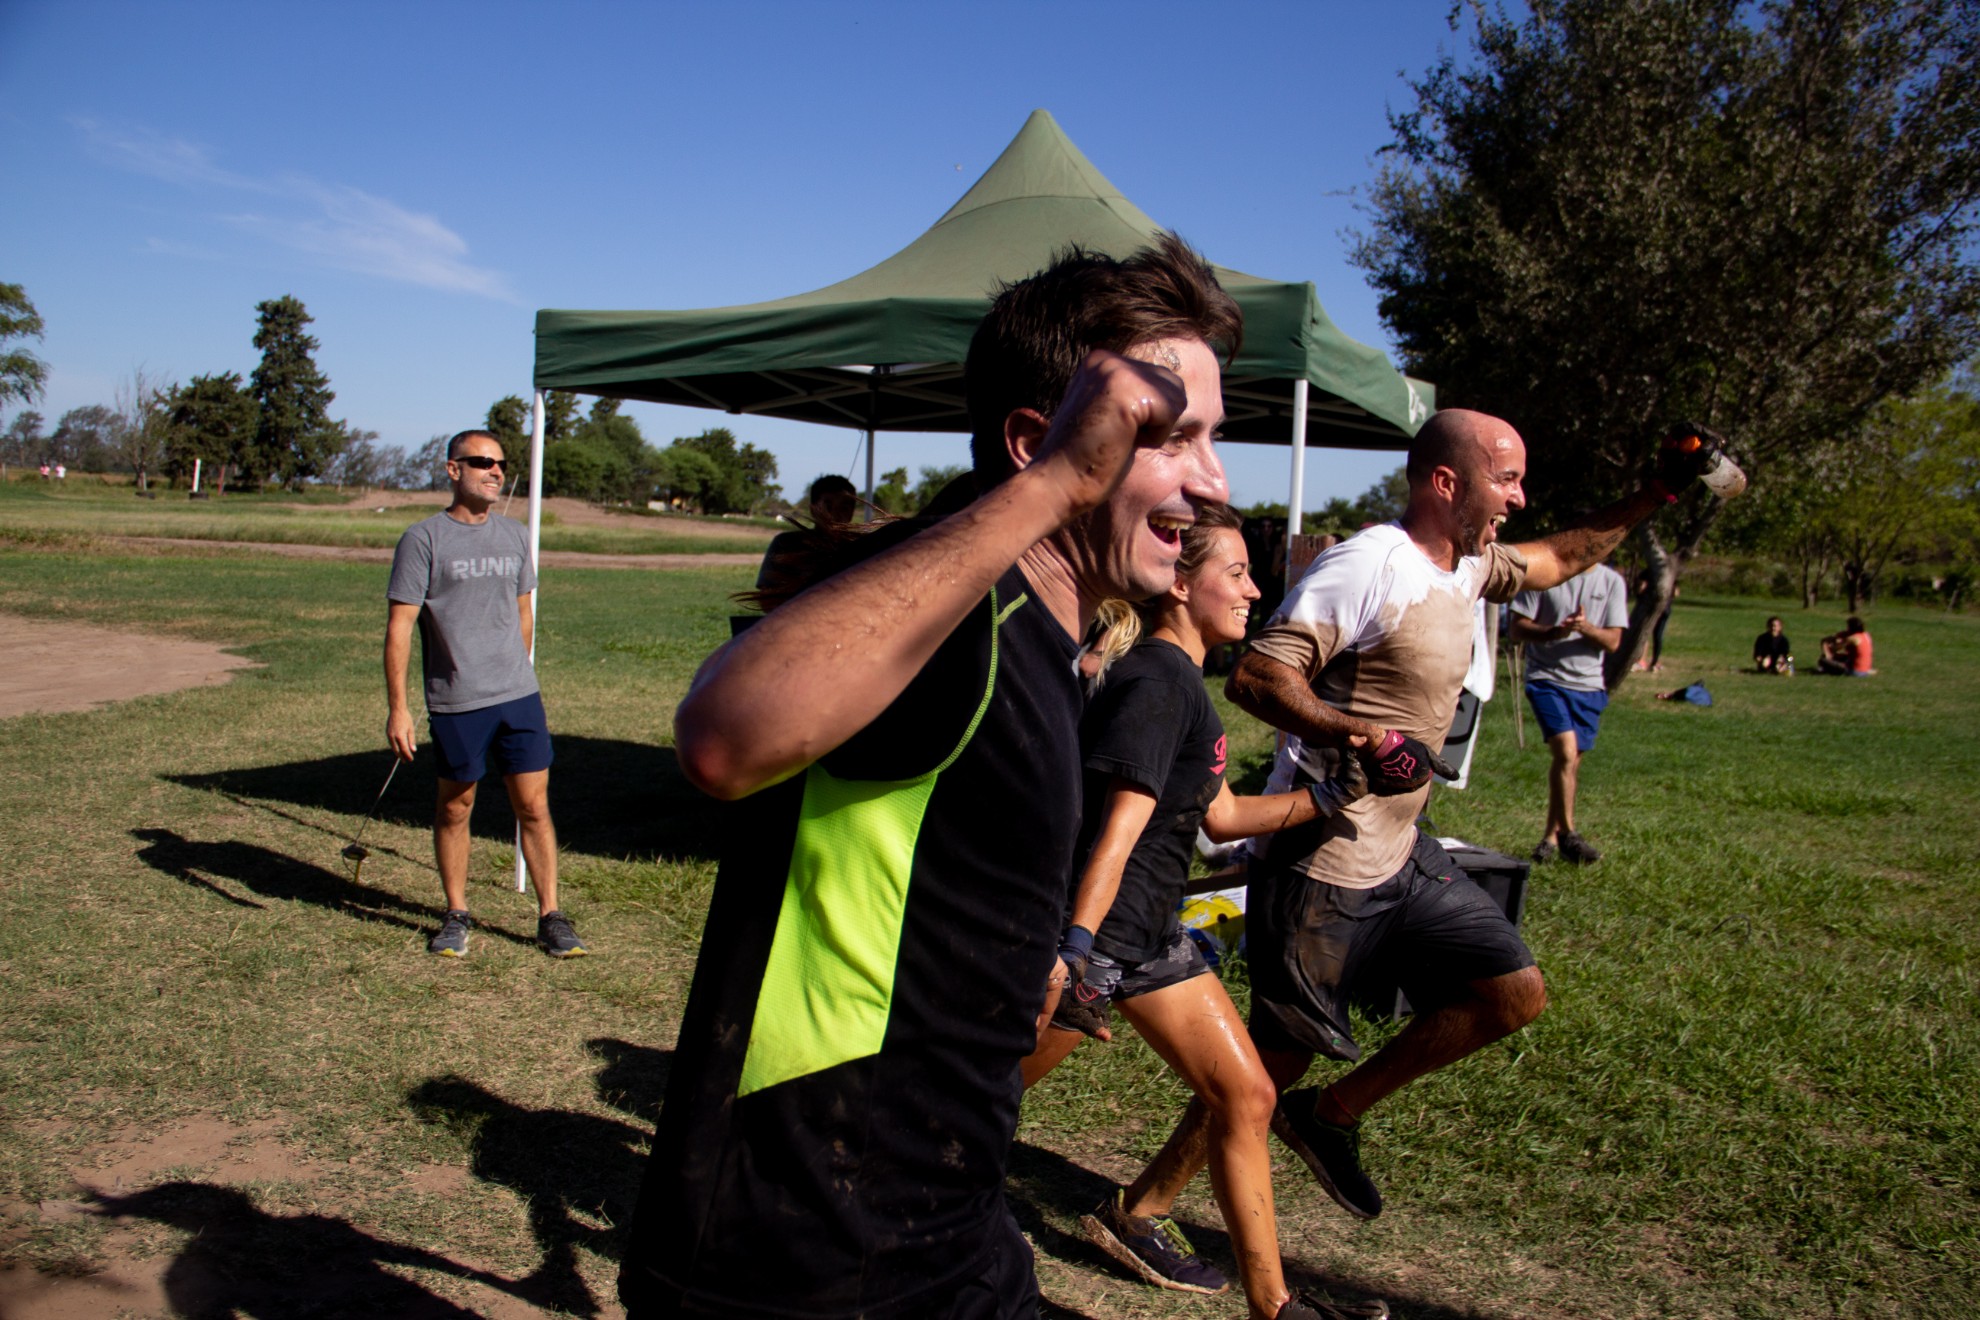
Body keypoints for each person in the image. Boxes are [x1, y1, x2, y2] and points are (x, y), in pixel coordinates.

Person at [618, 237, 1361, 1320]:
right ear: (1036, 441)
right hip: (808, 1250)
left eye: (1214, 437)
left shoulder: (1054, 646)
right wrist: (1059, 485)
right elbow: (724, 737)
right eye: (1172, 437)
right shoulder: (959, 621)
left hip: (934, 1216)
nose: (1214, 480)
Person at [1119, 410, 1730, 1233]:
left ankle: (1329, 1116)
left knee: (1511, 993)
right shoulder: (1370, 564)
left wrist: (1654, 492)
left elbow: (1558, 558)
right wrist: (1359, 733)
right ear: (1447, 483)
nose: (1519, 497)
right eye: (1505, 479)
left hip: (1401, 854)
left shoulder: (1471, 565)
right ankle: (1139, 1208)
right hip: (1321, 865)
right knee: (1266, 1065)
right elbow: (1261, 676)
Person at [1022, 504, 1381, 1320]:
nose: (1256, 590)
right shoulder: (1157, 681)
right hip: (1103, 943)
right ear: (1180, 584)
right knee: (975, 1102)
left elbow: (1215, 817)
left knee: (1247, 1096)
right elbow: (1115, 832)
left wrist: (1325, 798)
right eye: (1238, 573)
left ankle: (1275, 1310)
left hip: (1150, 940)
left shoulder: (1184, 682)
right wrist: (1073, 955)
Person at [384, 429, 585, 960]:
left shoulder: (515, 536)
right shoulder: (423, 539)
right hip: (456, 700)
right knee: (456, 807)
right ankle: (456, 913)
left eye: (500, 463)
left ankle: (551, 916)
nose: (495, 472)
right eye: (481, 462)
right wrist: (399, 708)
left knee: (534, 806)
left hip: (518, 695)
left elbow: (523, 613)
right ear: (453, 470)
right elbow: (400, 626)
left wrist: (514, 670)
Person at [1509, 560, 1628, 864]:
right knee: (1565, 752)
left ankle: (1550, 838)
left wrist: (1585, 628)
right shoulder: (1544, 577)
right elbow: (1517, 628)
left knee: (1569, 763)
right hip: (1546, 679)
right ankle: (1570, 835)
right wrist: (1553, 633)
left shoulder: (1612, 582)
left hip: (1589, 685)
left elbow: (1614, 641)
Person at [755, 473, 859, 593]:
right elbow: (767, 595)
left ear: (851, 512)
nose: (835, 514)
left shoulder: (862, 549)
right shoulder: (786, 544)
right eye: (828, 506)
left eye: (843, 508)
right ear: (813, 509)